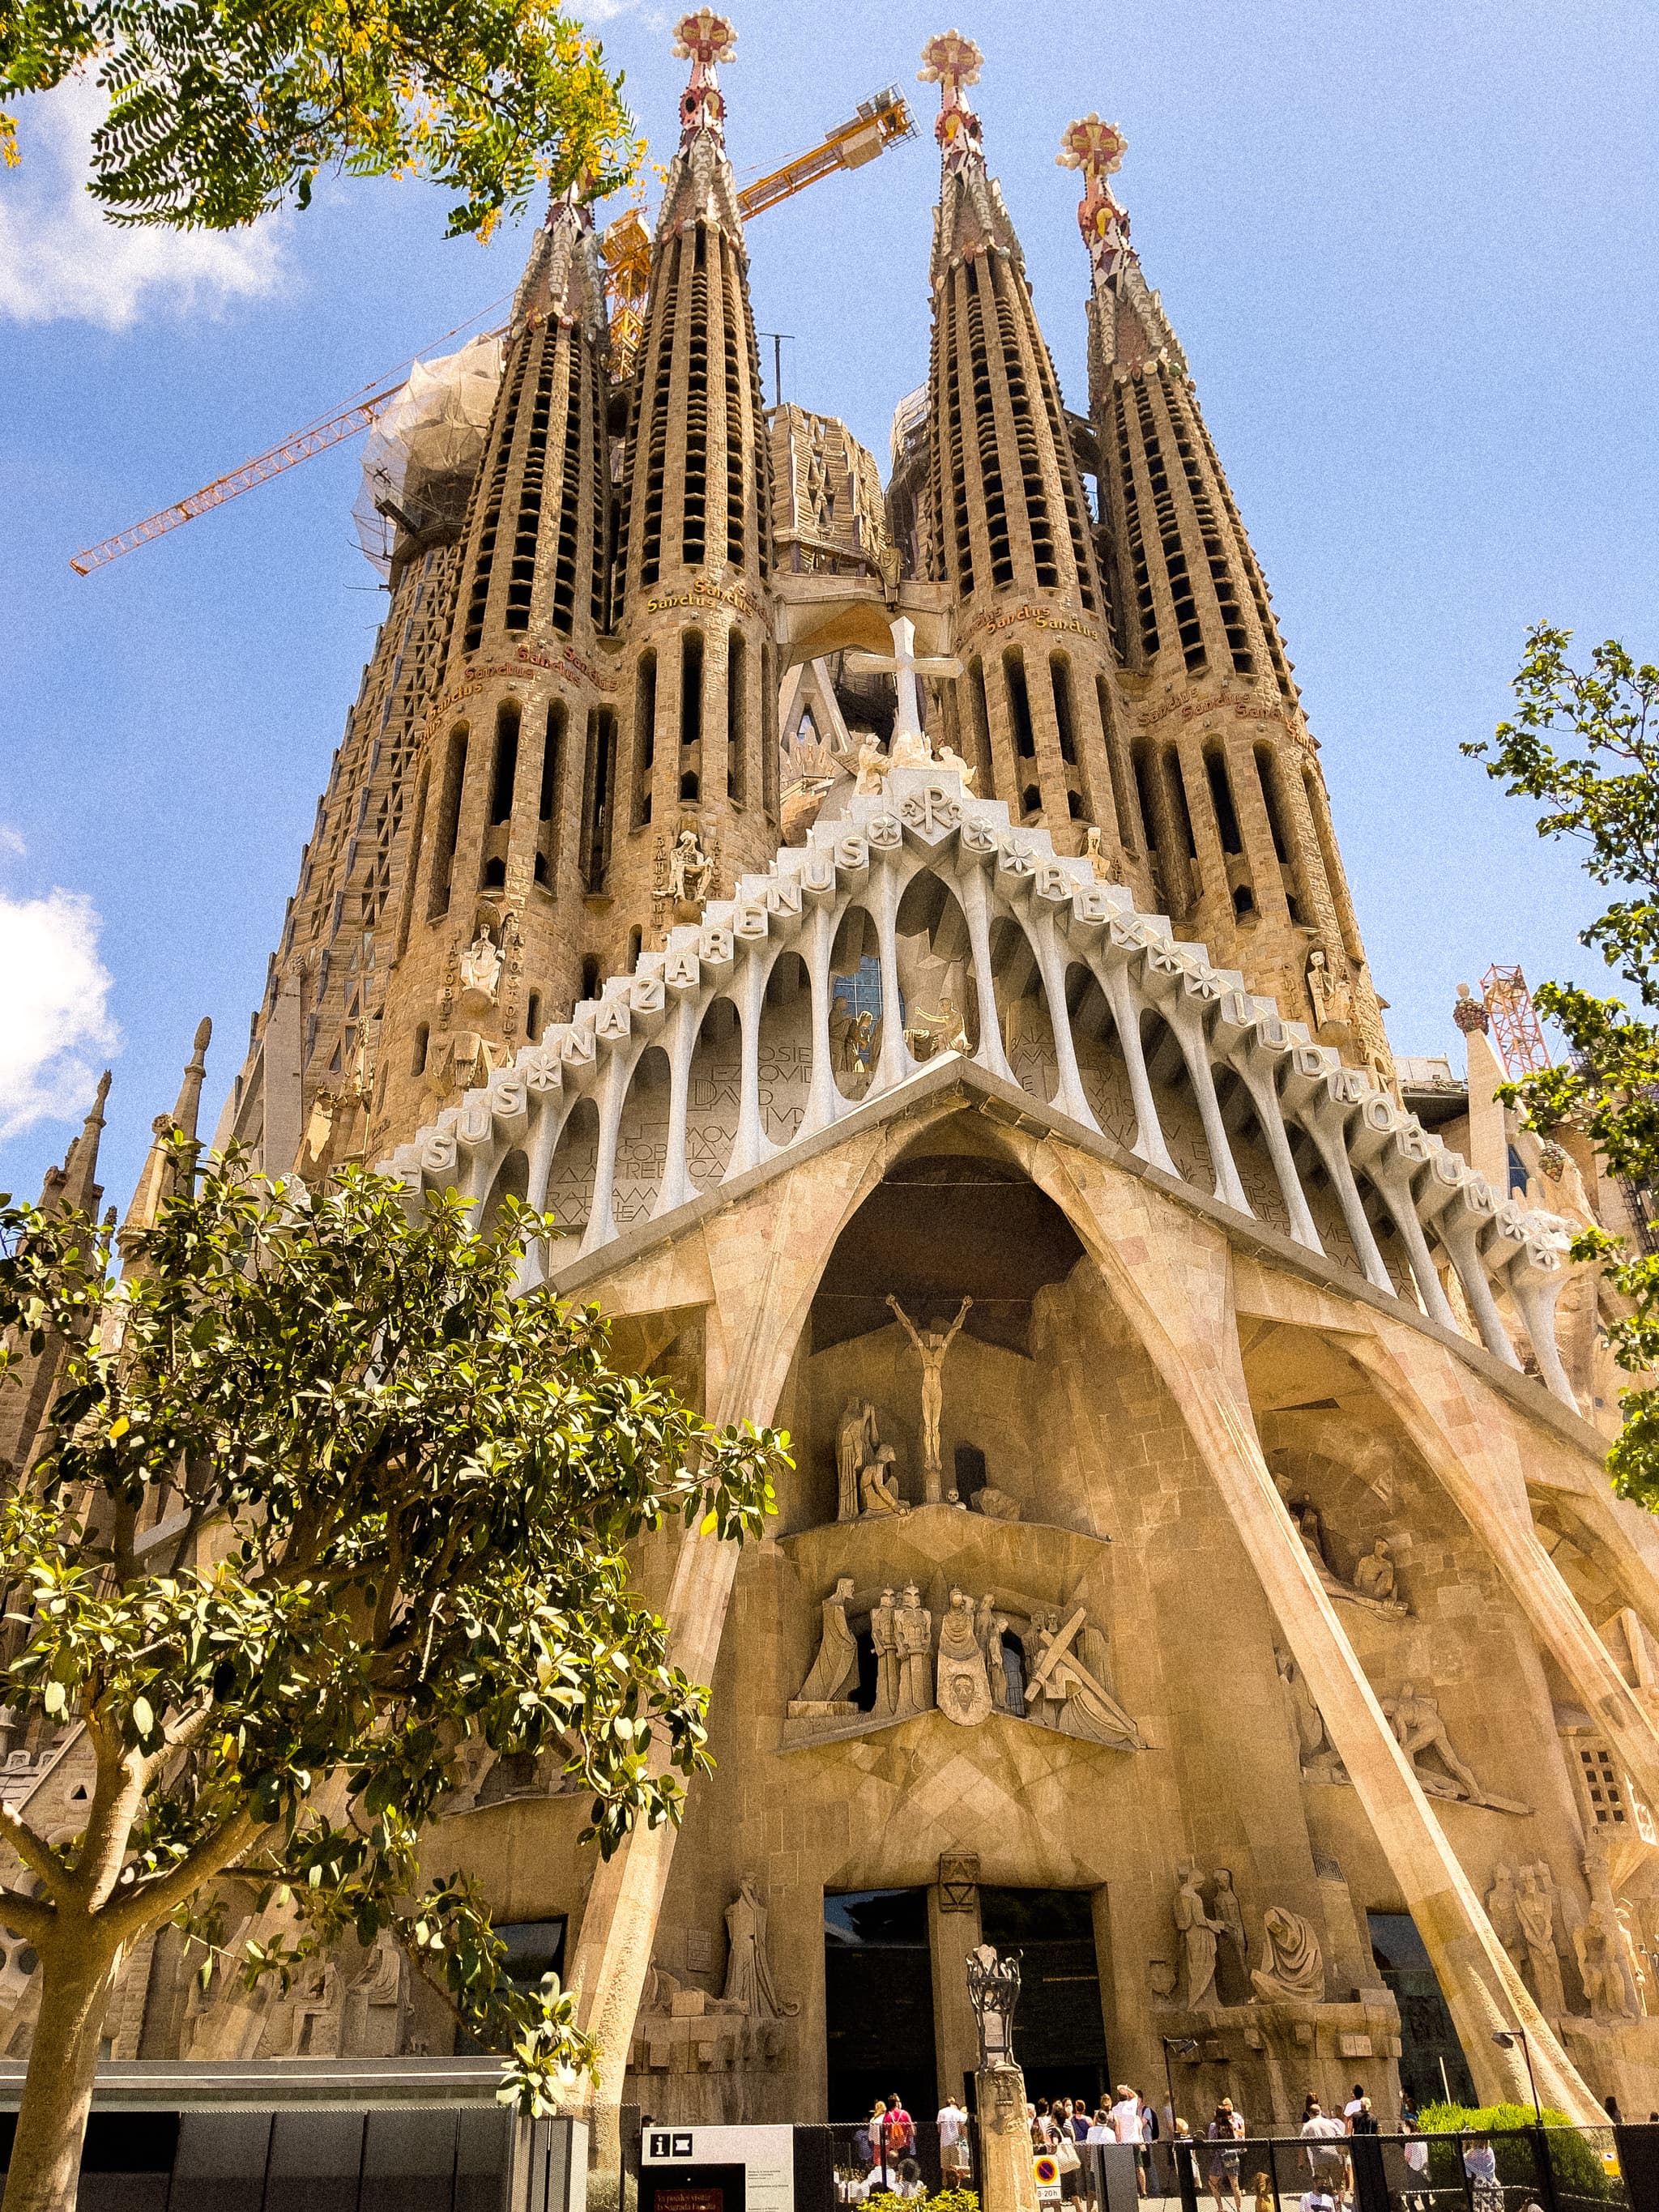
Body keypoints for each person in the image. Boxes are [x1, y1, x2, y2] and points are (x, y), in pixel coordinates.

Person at [1299, 2099, 1348, 2200]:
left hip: (1319, 2159)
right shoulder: (1330, 2123)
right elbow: (1340, 2137)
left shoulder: (1308, 2126)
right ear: (1320, 2111)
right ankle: (1340, 2205)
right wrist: (1343, 2155)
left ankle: (1327, 2206)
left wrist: (1301, 2161)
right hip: (1335, 2157)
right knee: (1339, 2183)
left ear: (1309, 2114)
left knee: (1322, 2185)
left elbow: (1301, 2145)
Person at [1206, 2099, 1246, 2212]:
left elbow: (1212, 2140)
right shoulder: (1231, 2125)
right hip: (1231, 2155)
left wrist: (1212, 2154)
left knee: (1212, 2182)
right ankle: (1239, 2209)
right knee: (1235, 2184)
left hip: (1219, 2157)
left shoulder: (1214, 2125)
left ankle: (1220, 2207)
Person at [1111, 2086, 1148, 2199]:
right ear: (1127, 2096)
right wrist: (1126, 2088)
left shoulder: (1115, 2109)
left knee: (1126, 2168)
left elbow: (1117, 2126)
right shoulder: (1132, 2105)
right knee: (1139, 2167)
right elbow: (1136, 2096)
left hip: (1123, 2142)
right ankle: (1144, 2191)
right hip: (1134, 2140)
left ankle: (1130, 2191)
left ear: (1118, 2097)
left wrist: (1117, 2139)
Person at [938, 2093, 970, 2182]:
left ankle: (944, 2185)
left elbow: (939, 2128)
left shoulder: (941, 2112)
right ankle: (957, 2184)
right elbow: (961, 2128)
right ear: (954, 2103)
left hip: (944, 2142)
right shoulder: (958, 2113)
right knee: (956, 2166)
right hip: (955, 2141)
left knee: (945, 2166)